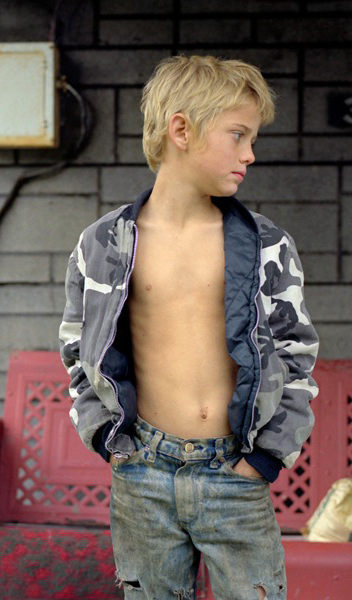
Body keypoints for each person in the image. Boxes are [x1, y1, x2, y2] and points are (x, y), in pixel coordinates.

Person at [59, 54, 319, 600]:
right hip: (143, 473)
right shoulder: (103, 246)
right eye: (238, 135)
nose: (250, 154)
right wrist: (109, 440)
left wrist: (267, 457)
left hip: (235, 473)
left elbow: (296, 353)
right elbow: (77, 351)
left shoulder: (267, 245)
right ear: (182, 129)